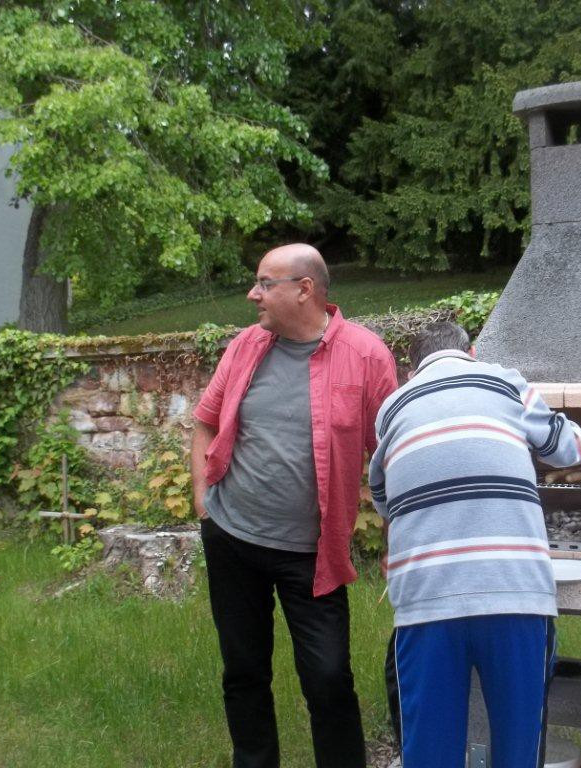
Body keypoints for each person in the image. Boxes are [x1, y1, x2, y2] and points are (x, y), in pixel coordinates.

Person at [191, 243, 398, 768]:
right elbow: (206, 419)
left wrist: (400, 536)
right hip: (232, 535)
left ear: (304, 289)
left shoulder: (367, 355)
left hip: (312, 553)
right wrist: (202, 503)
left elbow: (393, 455)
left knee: (329, 677)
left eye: (264, 283)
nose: (252, 294)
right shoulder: (245, 346)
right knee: (243, 670)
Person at [368, 321, 581, 768]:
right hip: (514, 592)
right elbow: (571, 450)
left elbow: (383, 496)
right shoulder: (505, 381)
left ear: (412, 370)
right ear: (471, 351)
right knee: (518, 747)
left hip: (426, 601)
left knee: (430, 753)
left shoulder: (392, 406)